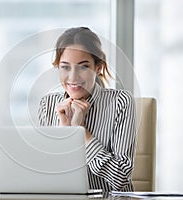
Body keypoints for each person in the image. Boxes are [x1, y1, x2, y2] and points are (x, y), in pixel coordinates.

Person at [38, 27, 136, 192]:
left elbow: (121, 179)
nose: (73, 77)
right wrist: (63, 132)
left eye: (83, 67)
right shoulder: (47, 105)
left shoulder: (121, 102)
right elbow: (43, 175)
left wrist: (82, 132)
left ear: (98, 68)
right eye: (65, 67)